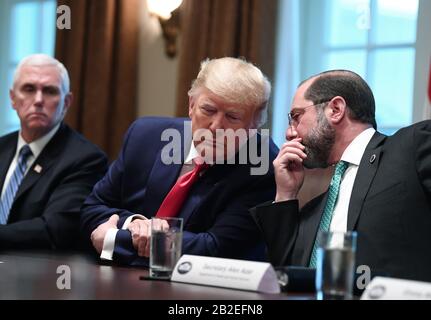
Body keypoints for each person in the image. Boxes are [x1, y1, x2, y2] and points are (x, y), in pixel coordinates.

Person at [81, 57, 278, 266]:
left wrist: (113, 239)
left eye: (233, 117)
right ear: (191, 105)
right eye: (208, 110)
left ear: (255, 124)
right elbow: (93, 207)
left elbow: (214, 250)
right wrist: (134, 223)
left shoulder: (263, 166)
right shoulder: (145, 136)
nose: (215, 127)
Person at [251, 70, 431, 282]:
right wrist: (285, 195)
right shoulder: (314, 210)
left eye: (297, 117)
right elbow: (282, 276)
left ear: (335, 110)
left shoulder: (411, 147)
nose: (289, 133)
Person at [0, 54, 108, 250]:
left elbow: (54, 230)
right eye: (29, 89)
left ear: (66, 102)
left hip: (39, 274)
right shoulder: (3, 147)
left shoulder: (85, 159)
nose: (38, 100)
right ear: (13, 98)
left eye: (49, 91)